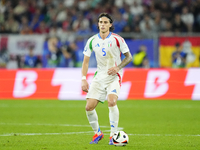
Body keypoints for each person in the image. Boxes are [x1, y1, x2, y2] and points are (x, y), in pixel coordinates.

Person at [81, 13, 132, 145]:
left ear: (110, 25)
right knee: (89, 107)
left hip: (114, 76)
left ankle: (113, 135)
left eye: (105, 22)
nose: (102, 24)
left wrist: (118, 67)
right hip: (99, 76)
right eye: (100, 22)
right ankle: (97, 133)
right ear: (98, 24)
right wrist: (83, 78)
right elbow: (85, 62)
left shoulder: (117, 39)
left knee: (111, 102)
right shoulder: (92, 40)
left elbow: (129, 57)